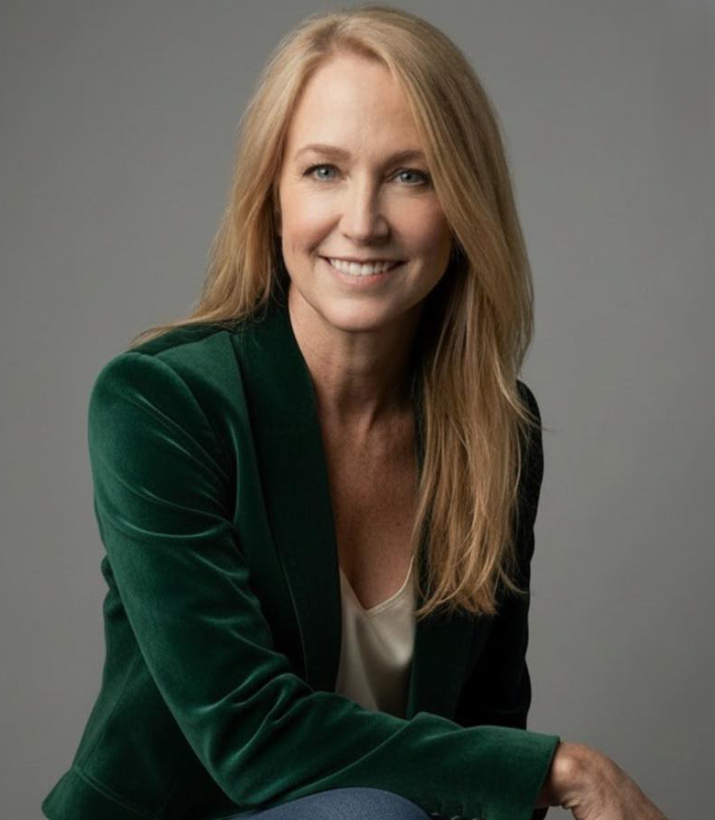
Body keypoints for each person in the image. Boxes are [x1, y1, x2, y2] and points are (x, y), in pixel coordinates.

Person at [41, 5, 671, 820]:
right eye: (324, 171)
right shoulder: (162, 404)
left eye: (411, 174)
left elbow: (480, 732)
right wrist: (565, 770)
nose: (363, 221)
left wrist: (525, 777)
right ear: (271, 193)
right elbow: (249, 733)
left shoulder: (494, 428)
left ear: (464, 205)